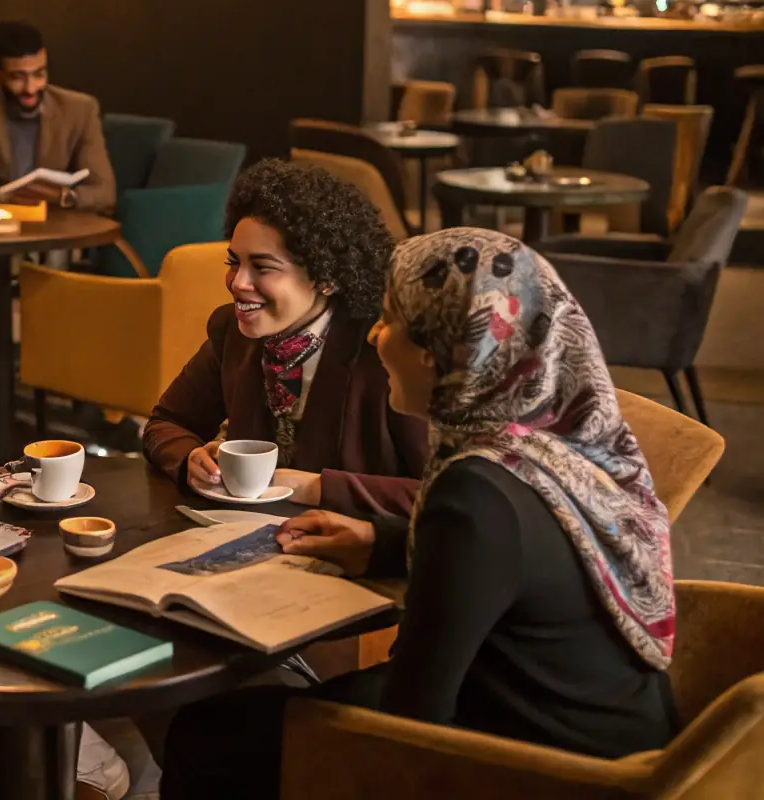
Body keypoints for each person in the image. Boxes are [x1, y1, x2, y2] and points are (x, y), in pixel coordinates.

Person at [159, 228, 679, 800]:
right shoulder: (551, 444)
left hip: (547, 769)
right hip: (621, 742)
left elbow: (413, 715)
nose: (378, 337)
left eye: (391, 320)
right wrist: (382, 541)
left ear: (442, 350)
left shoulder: (476, 491)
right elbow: (515, 563)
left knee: (205, 733)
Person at [144, 159, 429, 517]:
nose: (237, 283)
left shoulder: (386, 352)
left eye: (262, 267)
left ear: (326, 278)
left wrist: (317, 487)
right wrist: (190, 459)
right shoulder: (232, 331)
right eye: (233, 262)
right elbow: (166, 423)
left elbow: (444, 493)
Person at [0, 20, 116, 211]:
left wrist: (62, 197)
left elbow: (105, 193)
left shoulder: (80, 109)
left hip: (60, 228)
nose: (31, 88)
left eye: (39, 74)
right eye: (17, 77)